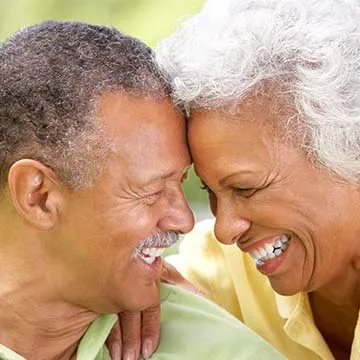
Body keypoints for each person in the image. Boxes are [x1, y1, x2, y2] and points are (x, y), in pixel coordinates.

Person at [0, 20, 284, 360]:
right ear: (39, 196)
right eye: (150, 191)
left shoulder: (222, 351)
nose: (184, 221)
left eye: (180, 183)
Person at [156, 0, 360, 359]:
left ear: (349, 146)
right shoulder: (223, 270)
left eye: (245, 188)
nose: (225, 229)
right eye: (211, 192)